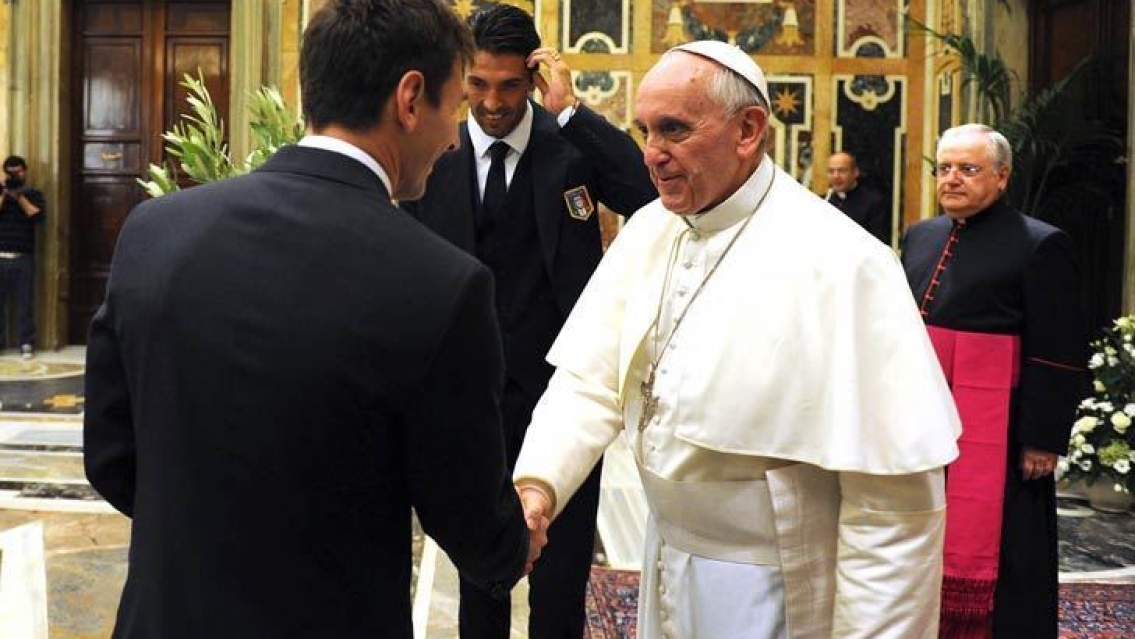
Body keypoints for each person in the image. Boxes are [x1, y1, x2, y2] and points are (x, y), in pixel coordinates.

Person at [83, 2, 546, 637]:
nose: (451, 138)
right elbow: (472, 526)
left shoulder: (154, 231)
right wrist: (517, 538)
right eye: (453, 108)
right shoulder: (441, 283)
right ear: (410, 98)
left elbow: (111, 457)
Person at [512, 40, 962, 638]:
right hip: (668, 552)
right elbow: (586, 381)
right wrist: (538, 484)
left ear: (748, 129)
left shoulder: (846, 263)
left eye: (674, 130)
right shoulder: (649, 232)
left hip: (771, 583)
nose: (652, 155)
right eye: (645, 131)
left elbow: (893, 508)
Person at [401, 5, 654, 638]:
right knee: (481, 576)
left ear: (534, 78)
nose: (492, 103)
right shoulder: (436, 155)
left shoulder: (567, 147)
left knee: (562, 578)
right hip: (467, 400)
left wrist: (570, 112)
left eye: (510, 86)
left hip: (562, 398)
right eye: (479, 85)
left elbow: (648, 195)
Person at [901, 123, 1087, 638]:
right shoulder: (921, 235)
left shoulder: (1041, 243)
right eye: (944, 168)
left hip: (1000, 432)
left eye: (969, 168)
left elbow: (1059, 349)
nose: (952, 179)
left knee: (1009, 546)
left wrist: (1043, 437)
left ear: (1002, 177)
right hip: (927, 420)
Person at [0, 155, 45, 358]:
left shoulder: (33, 194)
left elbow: (36, 216)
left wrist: (19, 197)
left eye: (17, 172)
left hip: (23, 257)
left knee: (25, 303)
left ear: (24, 171)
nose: (14, 175)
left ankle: (26, 342)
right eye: (10, 172)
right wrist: (3, 194)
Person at [825, 151, 890, 245]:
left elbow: (878, 243)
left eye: (842, 171)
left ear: (855, 172)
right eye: (831, 171)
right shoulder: (824, 201)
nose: (836, 176)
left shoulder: (874, 202)